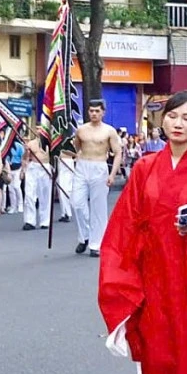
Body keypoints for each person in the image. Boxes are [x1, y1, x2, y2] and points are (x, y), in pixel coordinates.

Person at [98, 90, 187, 374]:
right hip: (154, 275)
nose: (178, 123)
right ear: (162, 120)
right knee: (157, 351)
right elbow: (124, 228)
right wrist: (122, 284)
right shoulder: (145, 167)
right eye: (172, 116)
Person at [72, 99, 122, 257]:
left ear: (103, 112)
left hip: (99, 167)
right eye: (91, 111)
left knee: (98, 207)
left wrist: (113, 174)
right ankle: (84, 236)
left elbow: (118, 153)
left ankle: (96, 244)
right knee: (76, 203)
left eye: (97, 111)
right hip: (82, 166)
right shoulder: (81, 130)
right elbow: (75, 148)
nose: (94, 113)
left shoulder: (109, 131)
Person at [22, 131, 52, 230]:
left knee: (45, 195)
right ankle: (29, 221)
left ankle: (45, 221)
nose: (39, 131)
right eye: (37, 128)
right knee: (29, 194)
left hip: (45, 167)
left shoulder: (50, 142)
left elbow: (55, 157)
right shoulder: (31, 143)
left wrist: (53, 170)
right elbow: (25, 158)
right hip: (33, 168)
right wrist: (26, 151)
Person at [5, 138, 25, 214]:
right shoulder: (6, 147)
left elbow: (23, 159)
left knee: (17, 187)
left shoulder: (19, 146)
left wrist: (22, 171)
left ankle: (20, 205)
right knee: (10, 188)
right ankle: (13, 206)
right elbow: (6, 160)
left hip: (18, 169)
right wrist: (8, 172)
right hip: (9, 168)